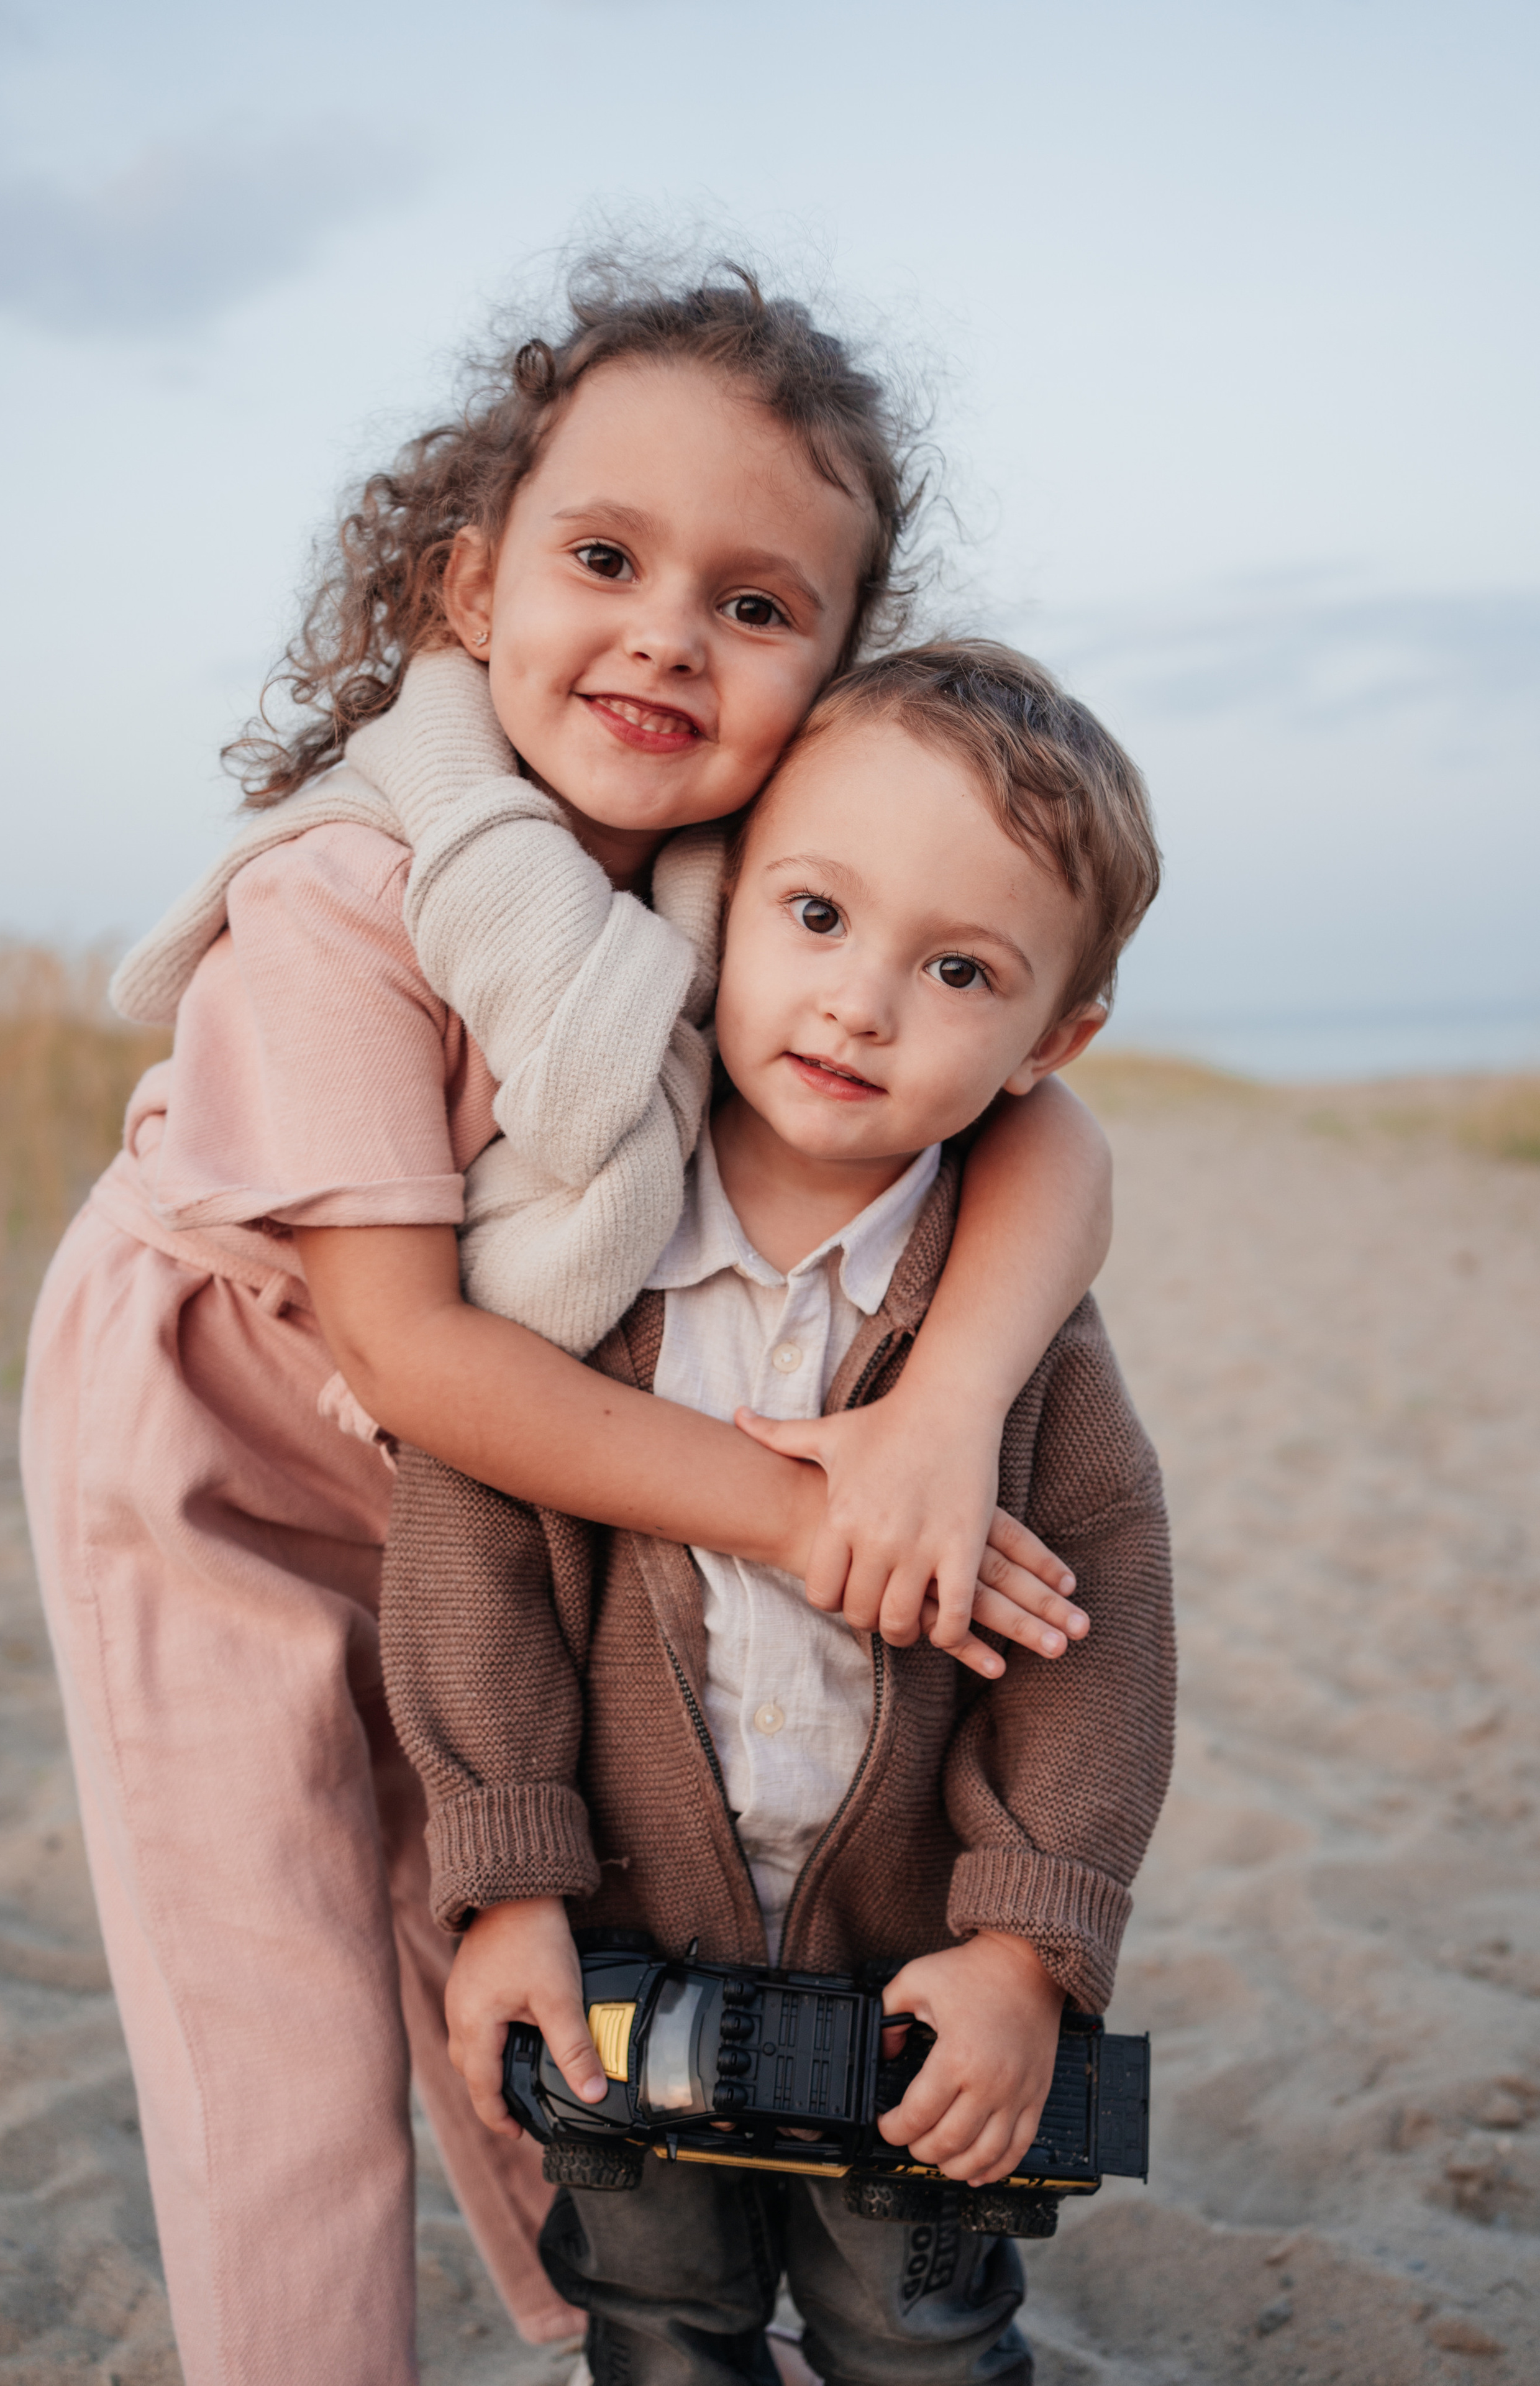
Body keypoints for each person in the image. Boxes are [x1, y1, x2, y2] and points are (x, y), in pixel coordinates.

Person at [19, 257, 1113, 2386]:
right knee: (269, 1994)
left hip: (478, 1495)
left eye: (758, 604)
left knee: (521, 1892)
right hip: (211, 1454)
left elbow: (1055, 1140)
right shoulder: (339, 906)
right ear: (467, 585)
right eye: (605, 557)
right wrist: (801, 1518)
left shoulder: (757, 904)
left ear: (829, 674)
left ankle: (599, 2314)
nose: (666, 636)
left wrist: (945, 1405)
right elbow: (419, 1357)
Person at [383, 641, 1176, 2386]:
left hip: (911, 1975)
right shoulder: (594, 1264)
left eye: (958, 968)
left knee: (921, 2334)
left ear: (1057, 1037)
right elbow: (471, 1559)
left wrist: (1029, 1948)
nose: (861, 1004)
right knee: (658, 2318)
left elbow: (1091, 1641)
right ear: (726, 904)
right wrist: (509, 1873)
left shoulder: (1017, 1331)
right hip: (626, 1949)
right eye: (817, 918)